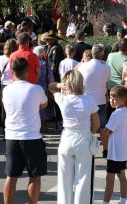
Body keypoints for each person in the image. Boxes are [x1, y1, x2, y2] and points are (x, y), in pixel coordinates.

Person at [2, 58, 48, 204]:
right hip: (32, 137)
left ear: (12, 72)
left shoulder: (7, 89)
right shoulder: (36, 89)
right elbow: (44, 104)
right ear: (28, 71)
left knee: (11, 176)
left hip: (12, 136)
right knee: (35, 176)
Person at [49, 70, 99, 204]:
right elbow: (97, 122)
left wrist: (62, 85)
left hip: (67, 137)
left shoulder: (62, 98)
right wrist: (91, 132)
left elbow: (51, 86)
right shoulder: (89, 99)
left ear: (67, 83)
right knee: (84, 177)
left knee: (64, 178)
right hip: (84, 137)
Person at [101, 86, 127, 204]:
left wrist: (104, 148)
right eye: (111, 98)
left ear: (123, 100)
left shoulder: (116, 114)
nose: (112, 101)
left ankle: (105, 202)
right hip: (122, 151)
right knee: (122, 176)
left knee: (110, 179)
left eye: (115, 99)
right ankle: (123, 200)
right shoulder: (126, 112)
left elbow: (107, 132)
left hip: (114, 152)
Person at [78, 45, 112, 129]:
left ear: (92, 53)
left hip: (85, 100)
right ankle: (103, 142)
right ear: (102, 55)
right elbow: (106, 83)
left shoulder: (82, 66)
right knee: (102, 127)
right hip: (100, 100)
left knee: (86, 126)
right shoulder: (107, 68)